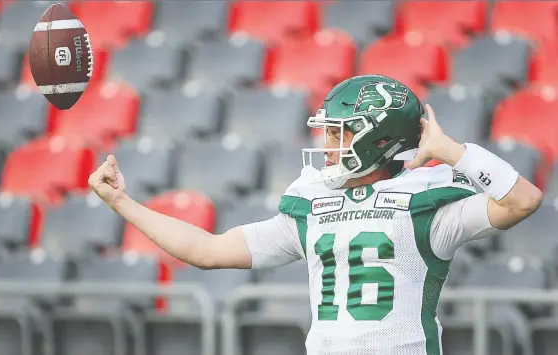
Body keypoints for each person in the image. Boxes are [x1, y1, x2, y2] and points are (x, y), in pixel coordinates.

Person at [88, 74, 543, 355]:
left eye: (340, 133)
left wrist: (452, 151)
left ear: (378, 140)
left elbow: (524, 199)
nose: (327, 143)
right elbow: (205, 250)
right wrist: (122, 203)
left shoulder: (425, 207)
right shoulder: (312, 204)